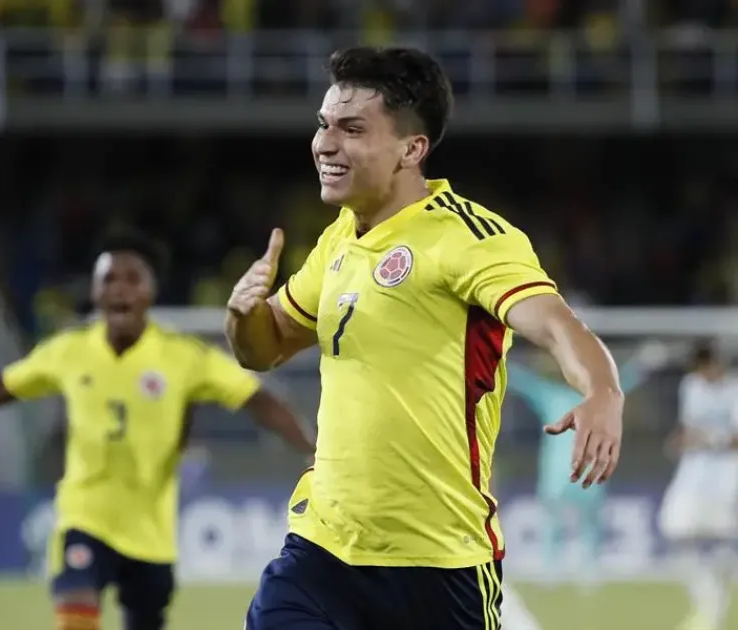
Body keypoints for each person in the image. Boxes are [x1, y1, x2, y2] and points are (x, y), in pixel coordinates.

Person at [225, 46, 624, 630]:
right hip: (322, 550)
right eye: (324, 124)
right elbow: (264, 347)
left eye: (352, 129)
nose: (325, 144)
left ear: (412, 149)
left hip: (440, 564)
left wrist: (603, 391)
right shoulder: (338, 241)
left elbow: (556, 324)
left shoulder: (469, 237)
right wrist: (242, 314)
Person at [0, 232, 316, 630]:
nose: (119, 289)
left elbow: (261, 401)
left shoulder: (183, 357)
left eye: (132, 278)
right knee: (76, 609)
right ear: (94, 291)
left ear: (150, 291)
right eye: (108, 278)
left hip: (150, 532)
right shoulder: (70, 350)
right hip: (83, 517)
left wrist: (312, 449)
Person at [507, 341, 666, 587]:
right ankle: (557, 572)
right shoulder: (556, 395)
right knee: (556, 523)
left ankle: (584, 572)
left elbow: (622, 382)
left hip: (579, 470)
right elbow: (524, 383)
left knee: (586, 523)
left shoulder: (586, 397)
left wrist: (644, 363)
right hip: (563, 472)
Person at [659, 342, 738, 630]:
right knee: (673, 528)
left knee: (723, 537)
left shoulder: (735, 391)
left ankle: (713, 610)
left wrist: (708, 439)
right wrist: (679, 439)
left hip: (727, 475)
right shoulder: (691, 386)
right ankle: (709, 602)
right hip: (693, 472)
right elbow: (689, 427)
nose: (705, 373)